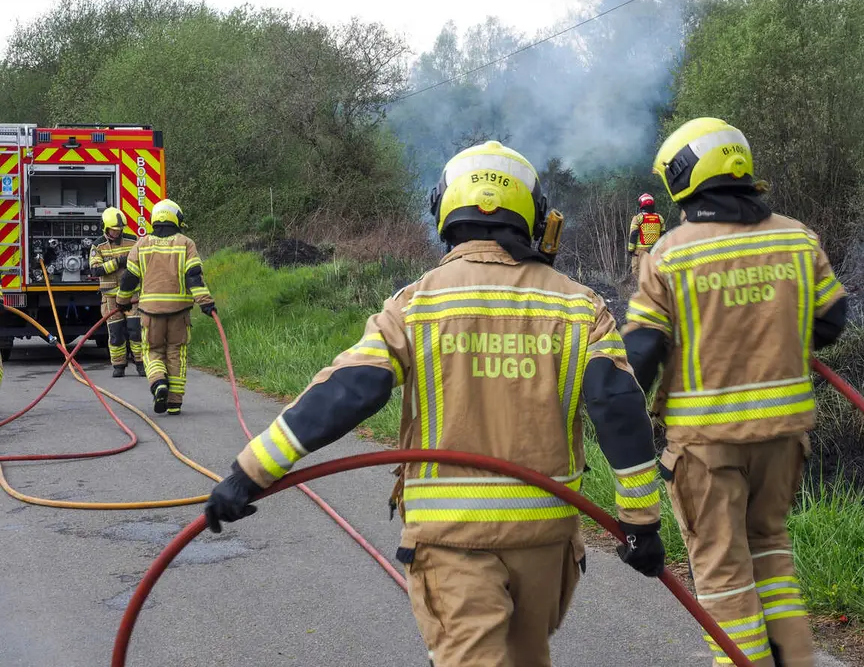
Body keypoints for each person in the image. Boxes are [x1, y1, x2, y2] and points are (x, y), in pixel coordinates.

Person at [204, 141, 665, 667]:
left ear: (445, 212)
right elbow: (617, 406)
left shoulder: (416, 303)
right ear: (536, 218)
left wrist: (251, 471)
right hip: (546, 540)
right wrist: (641, 520)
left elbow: (350, 389)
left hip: (451, 540)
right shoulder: (580, 306)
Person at [621, 117, 848, 667]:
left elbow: (642, 352)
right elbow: (831, 320)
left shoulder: (670, 254)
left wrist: (619, 411)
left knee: (723, 572)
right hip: (784, 439)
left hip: (708, 446)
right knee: (769, 549)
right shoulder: (797, 237)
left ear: (682, 178)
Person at [116, 199, 216, 415]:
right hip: (179, 313)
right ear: (176, 219)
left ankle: (158, 382)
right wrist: (206, 303)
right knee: (176, 353)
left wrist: (122, 302)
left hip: (150, 313)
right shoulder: (186, 243)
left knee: (152, 351)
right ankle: (174, 402)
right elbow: (194, 277)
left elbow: (129, 279)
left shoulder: (141, 244)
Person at [89, 207, 145, 378]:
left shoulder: (133, 241)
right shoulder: (98, 245)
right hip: (110, 298)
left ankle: (141, 364)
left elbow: (142, 261)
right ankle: (119, 365)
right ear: (105, 228)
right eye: (113, 230)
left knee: (136, 331)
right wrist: (118, 262)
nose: (117, 233)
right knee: (116, 332)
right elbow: (95, 270)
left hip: (132, 295)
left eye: (119, 230)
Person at [627, 193, 665, 278]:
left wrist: (630, 249)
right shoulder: (660, 218)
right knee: (654, 273)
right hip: (655, 251)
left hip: (640, 252)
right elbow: (663, 236)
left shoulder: (638, 218)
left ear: (641, 205)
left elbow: (633, 234)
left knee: (638, 273)